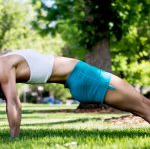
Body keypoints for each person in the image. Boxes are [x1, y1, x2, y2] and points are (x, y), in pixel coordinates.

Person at [0, 49, 149, 138]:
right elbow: (13, 102)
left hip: (79, 78)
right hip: (83, 76)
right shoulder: (3, 65)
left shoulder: (4, 62)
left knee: (143, 106)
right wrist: (14, 138)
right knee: (144, 106)